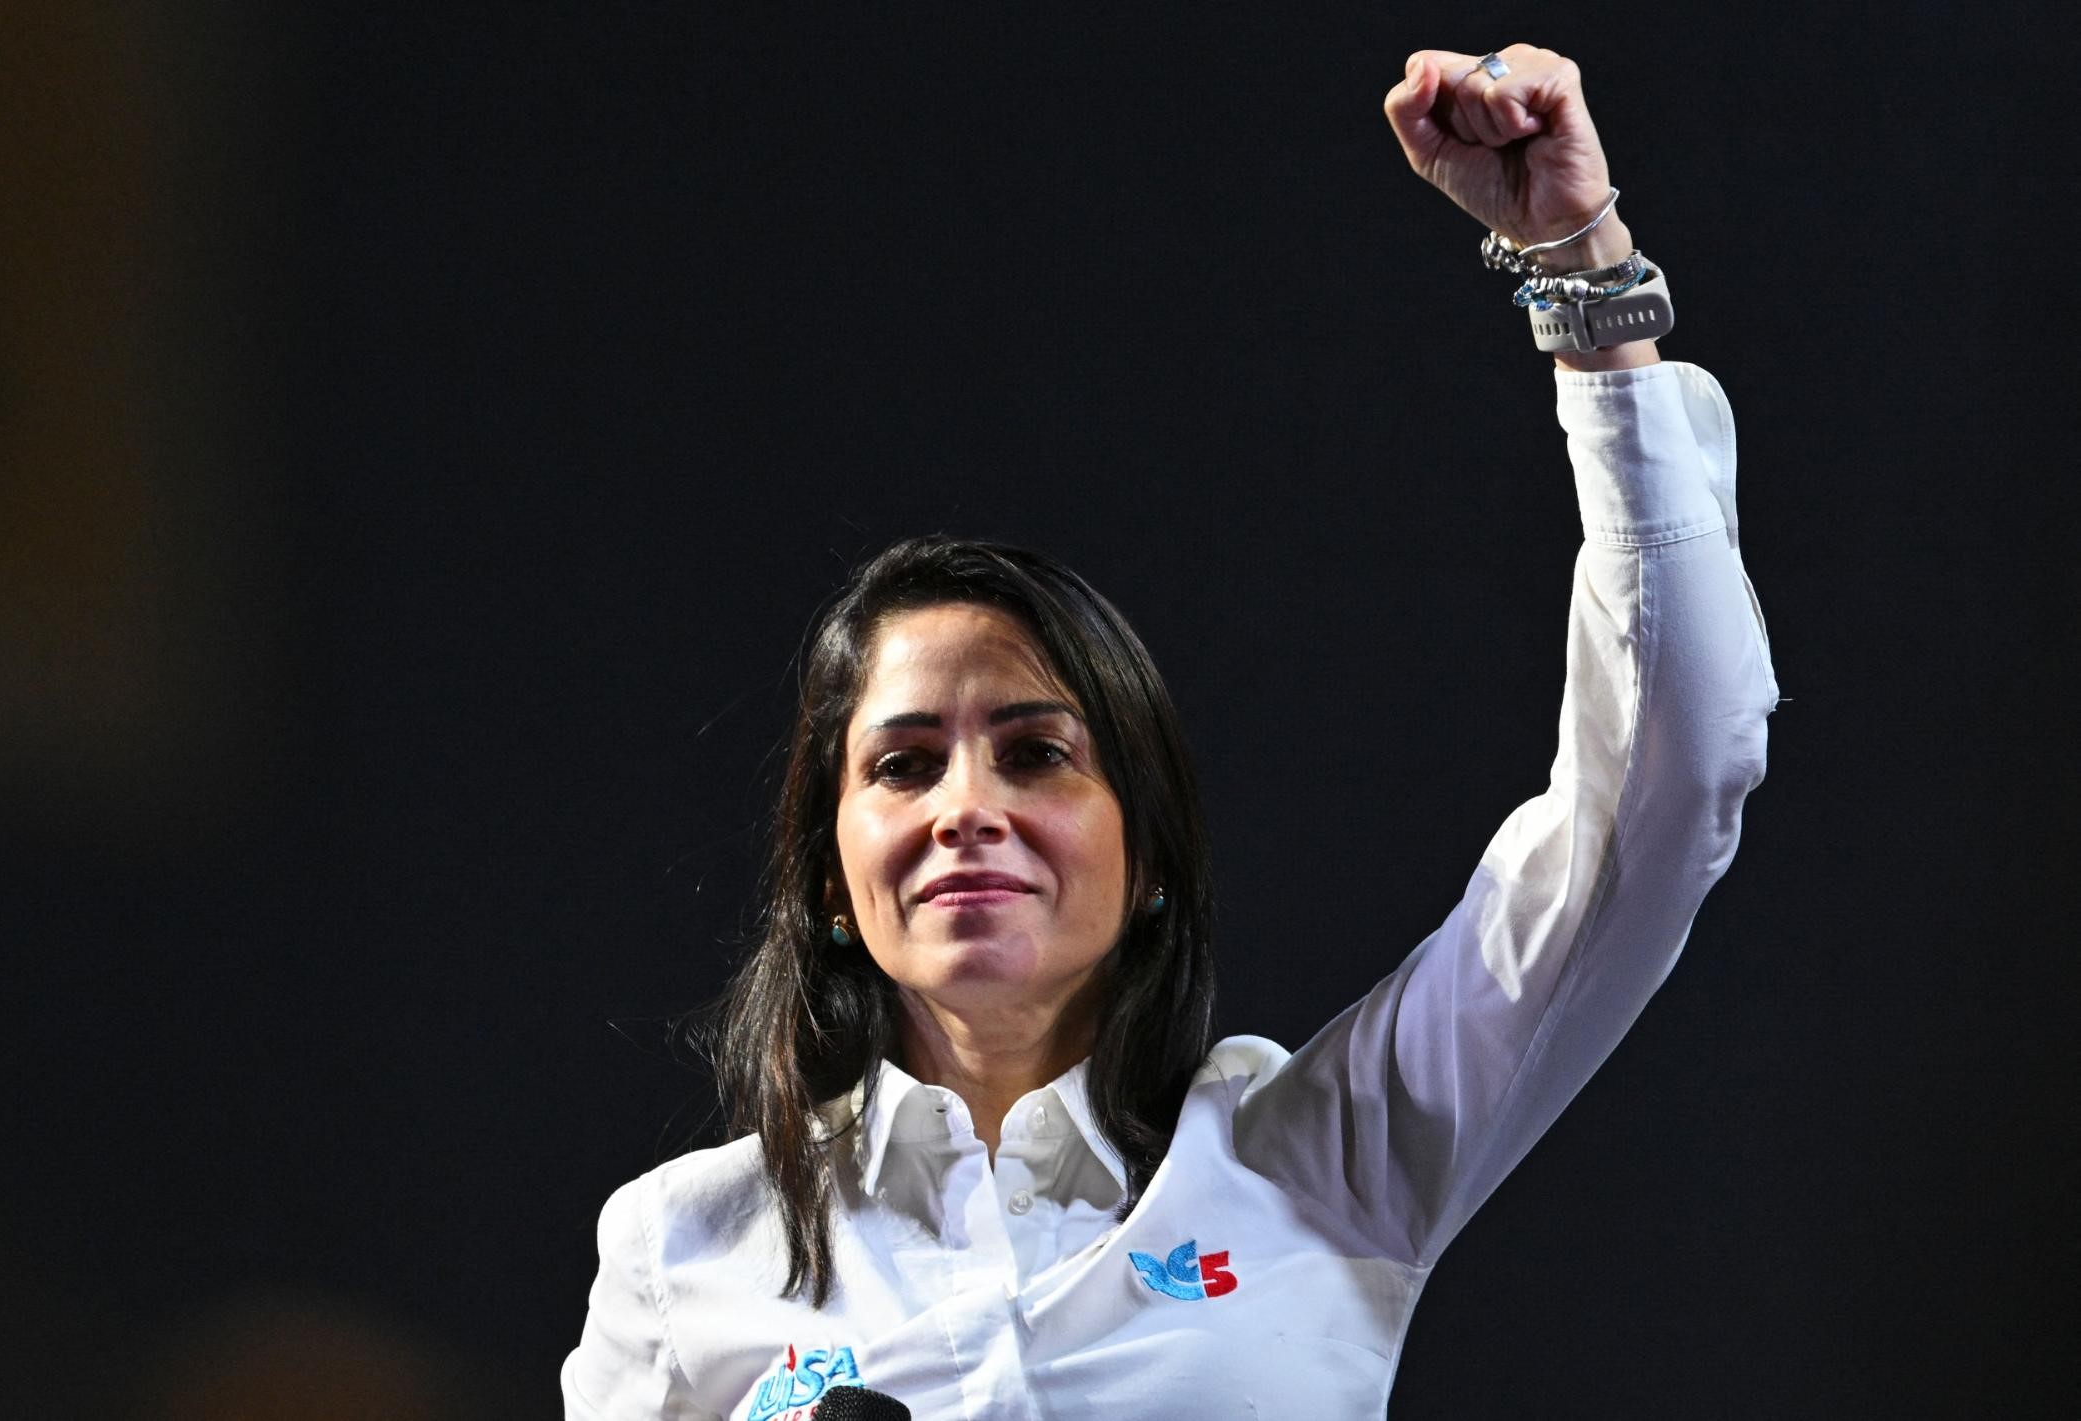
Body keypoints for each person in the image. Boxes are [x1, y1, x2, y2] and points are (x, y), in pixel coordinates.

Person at [564, 43, 1777, 1420]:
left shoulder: (1322, 1159)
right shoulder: (682, 1255)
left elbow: (1666, 787)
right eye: (903, 764)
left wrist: (1582, 270)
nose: (966, 806)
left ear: (1146, 856)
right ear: (832, 875)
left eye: (1038, 752)